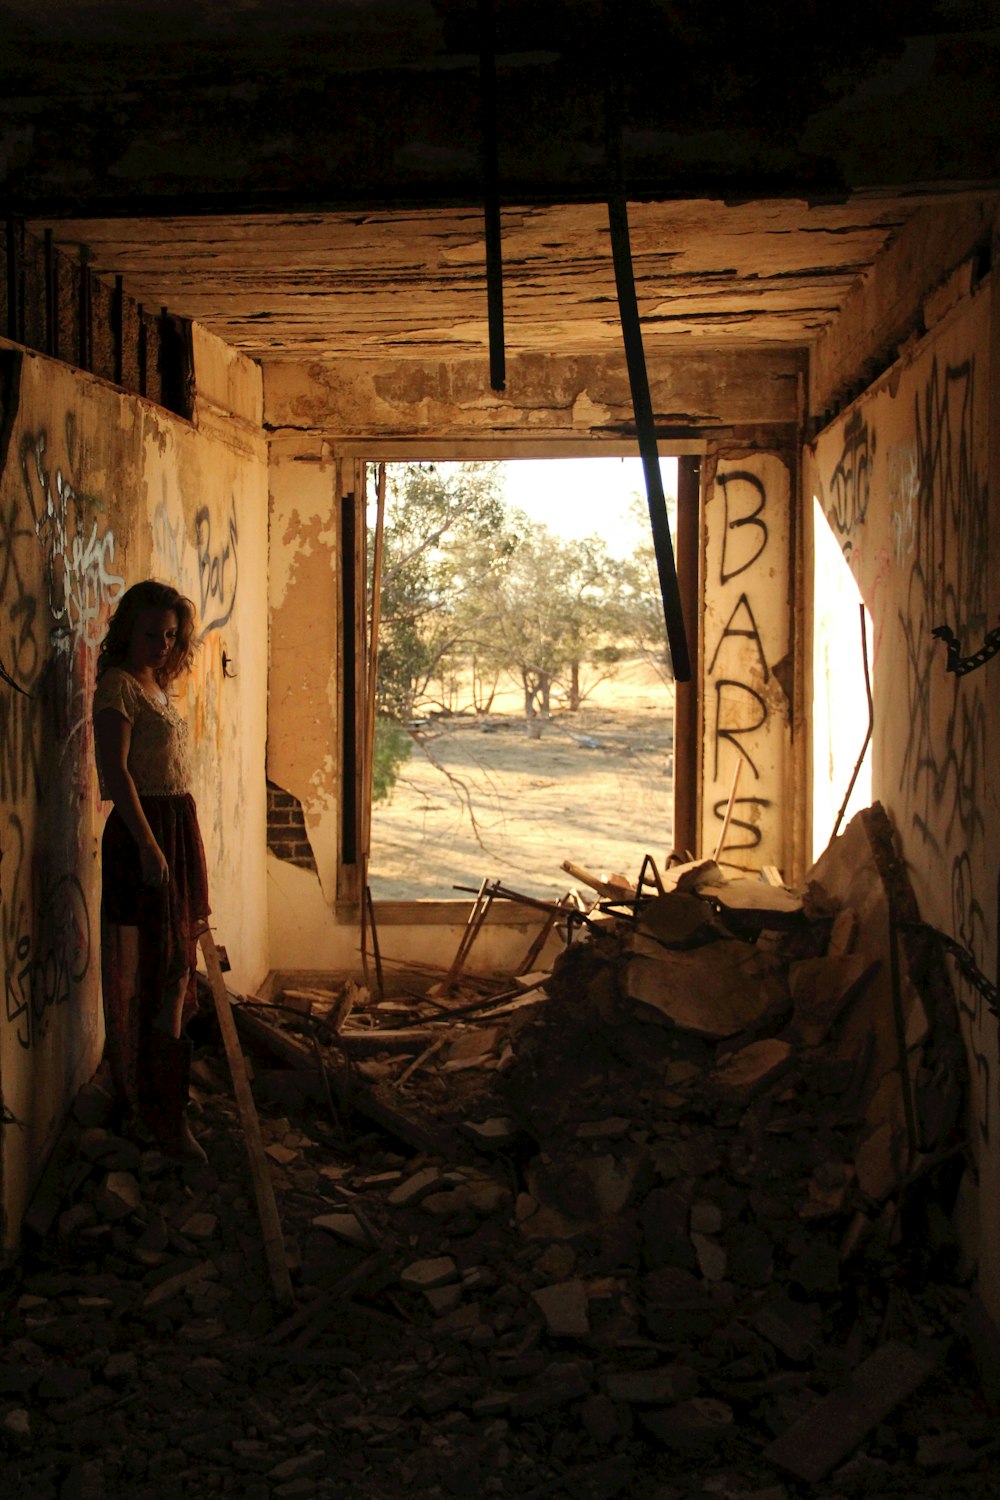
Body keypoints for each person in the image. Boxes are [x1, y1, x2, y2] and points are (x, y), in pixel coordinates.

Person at [93, 579, 210, 1162]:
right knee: (153, 971)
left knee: (177, 970)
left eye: (169, 635)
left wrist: (171, 842)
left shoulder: (156, 684)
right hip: (144, 837)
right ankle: (153, 1110)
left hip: (174, 831)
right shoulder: (118, 685)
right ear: (127, 630)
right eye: (150, 634)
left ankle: (169, 1105)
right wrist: (148, 845)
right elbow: (115, 773)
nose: (161, 645)